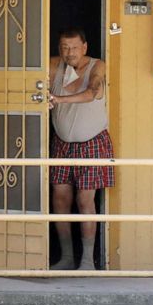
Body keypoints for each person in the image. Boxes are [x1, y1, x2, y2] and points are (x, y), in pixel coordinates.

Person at [47, 28, 114, 270]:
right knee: (60, 199)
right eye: (64, 48)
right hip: (62, 144)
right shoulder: (55, 66)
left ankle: (87, 261)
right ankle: (66, 257)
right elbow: (27, 77)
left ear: (85, 47)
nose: (69, 52)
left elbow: (91, 92)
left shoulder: (98, 66)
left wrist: (58, 99)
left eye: (74, 47)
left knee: (85, 200)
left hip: (93, 143)